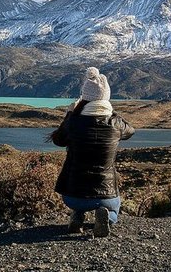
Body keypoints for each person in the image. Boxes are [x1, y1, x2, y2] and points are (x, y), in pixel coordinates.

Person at [52, 67, 135, 237]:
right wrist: (111, 112)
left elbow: (58, 140)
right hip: (106, 194)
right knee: (113, 211)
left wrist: (69, 115)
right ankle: (104, 216)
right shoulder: (115, 124)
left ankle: (77, 215)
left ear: (84, 99)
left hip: (72, 194)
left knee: (78, 201)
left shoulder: (73, 122)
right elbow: (130, 130)